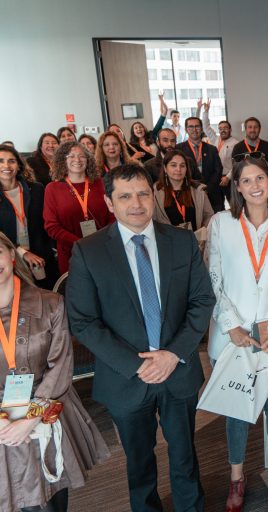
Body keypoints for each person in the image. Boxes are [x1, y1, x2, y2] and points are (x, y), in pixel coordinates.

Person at [66, 163, 216, 512]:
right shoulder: (88, 251)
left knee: (185, 456)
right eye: (125, 196)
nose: (136, 203)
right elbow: (84, 322)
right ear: (109, 201)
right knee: (139, 464)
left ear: (153, 195)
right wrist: (136, 366)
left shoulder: (181, 241)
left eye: (143, 193)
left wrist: (172, 354)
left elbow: (202, 301)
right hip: (125, 378)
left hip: (176, 371)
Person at [207, 156, 268, 512]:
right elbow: (213, 277)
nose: (255, 185)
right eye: (247, 181)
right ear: (237, 186)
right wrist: (231, 324)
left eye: (261, 177)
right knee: (237, 411)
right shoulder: (221, 224)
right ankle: (236, 476)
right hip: (235, 336)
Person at [0, 232, 109, 512]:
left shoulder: (50, 304)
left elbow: (60, 366)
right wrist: (4, 422)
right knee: (18, 498)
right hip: (2, 424)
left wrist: (28, 419)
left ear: (12, 255)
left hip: (50, 410)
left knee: (54, 498)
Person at [43, 141, 113, 274]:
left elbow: (113, 216)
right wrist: (81, 244)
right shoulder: (52, 189)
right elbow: (51, 226)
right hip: (71, 254)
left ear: (88, 159)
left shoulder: (101, 184)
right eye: (71, 156)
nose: (77, 160)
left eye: (82, 156)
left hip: (103, 249)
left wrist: (101, 240)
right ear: (63, 160)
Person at [0, 145, 57, 289]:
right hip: (11, 260)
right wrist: (23, 253)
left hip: (43, 257)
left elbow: (47, 222)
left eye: (11, 161)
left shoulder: (36, 189)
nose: (6, 165)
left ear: (19, 165)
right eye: (1, 161)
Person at [152, 150, 213, 231]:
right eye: (173, 165)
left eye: (182, 166)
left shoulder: (198, 190)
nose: (178, 169)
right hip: (168, 241)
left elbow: (209, 215)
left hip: (195, 241)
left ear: (186, 169)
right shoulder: (155, 192)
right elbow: (152, 220)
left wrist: (203, 232)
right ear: (165, 169)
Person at [176, 116, 225, 212]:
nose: (194, 129)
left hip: (212, 193)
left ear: (201, 129)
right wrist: (196, 188)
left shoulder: (212, 149)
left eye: (197, 126)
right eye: (191, 127)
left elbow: (218, 169)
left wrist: (207, 188)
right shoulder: (179, 149)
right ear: (186, 129)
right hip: (189, 194)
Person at [199, 99, 238, 187]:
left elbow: (237, 163)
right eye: (220, 128)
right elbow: (206, 127)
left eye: (225, 128)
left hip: (228, 178)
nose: (222, 130)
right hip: (215, 177)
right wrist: (206, 111)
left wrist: (228, 177)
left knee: (232, 200)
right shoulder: (215, 139)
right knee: (218, 200)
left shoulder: (236, 144)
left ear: (230, 130)